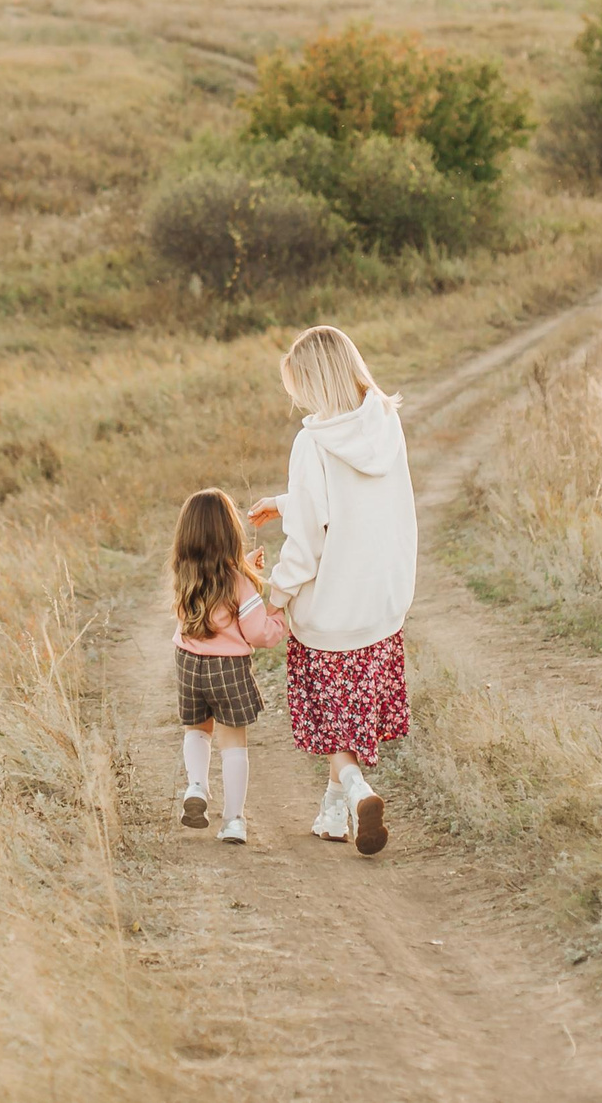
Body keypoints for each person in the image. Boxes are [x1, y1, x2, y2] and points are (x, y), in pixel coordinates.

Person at [249, 325, 415, 856]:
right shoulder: (385, 425)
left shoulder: (312, 442)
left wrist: (275, 595)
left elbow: (309, 541)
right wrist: (286, 499)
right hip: (380, 606)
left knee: (331, 726)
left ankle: (357, 788)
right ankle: (331, 816)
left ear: (312, 381)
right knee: (349, 715)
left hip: (330, 613)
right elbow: (352, 502)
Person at [170, 487, 287, 845]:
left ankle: (197, 787)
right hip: (228, 668)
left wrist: (245, 568)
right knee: (233, 743)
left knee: (197, 730)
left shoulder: (183, 574)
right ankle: (233, 821)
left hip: (188, 664)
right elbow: (260, 633)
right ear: (229, 533)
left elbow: (215, 587)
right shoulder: (239, 584)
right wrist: (280, 613)